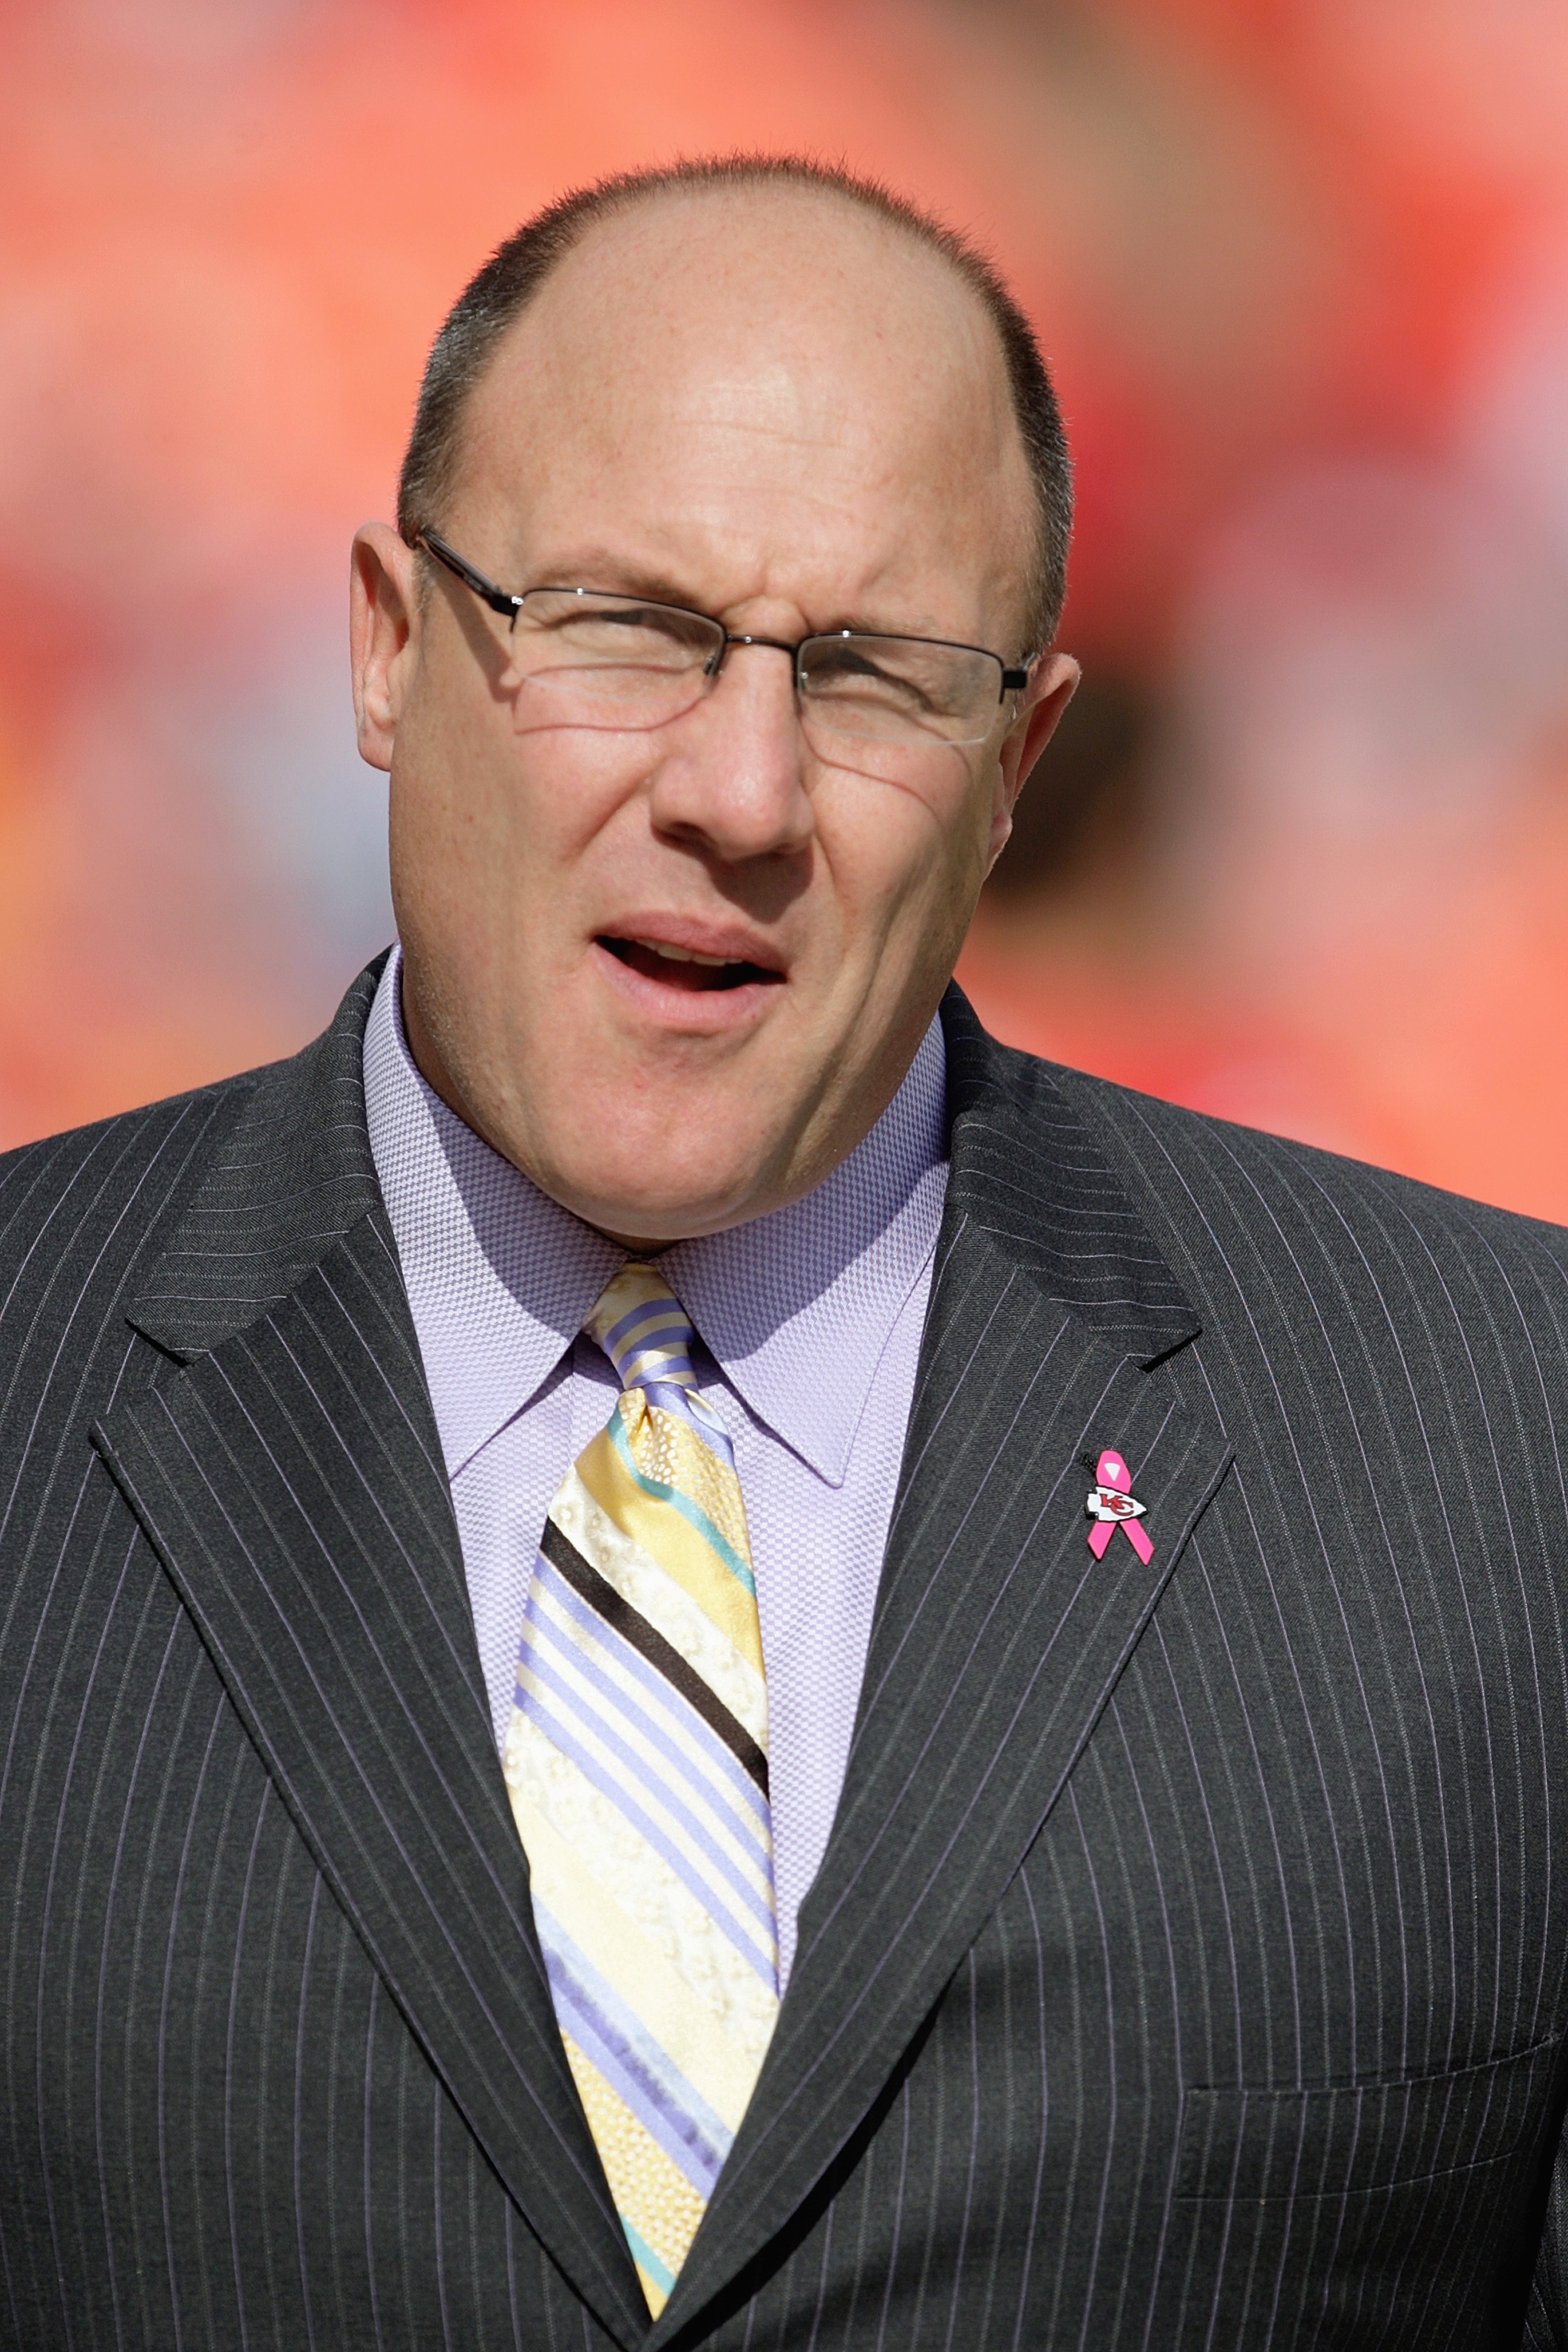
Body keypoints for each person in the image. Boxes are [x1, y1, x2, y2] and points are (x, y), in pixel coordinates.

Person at [1, 154, 1566, 2352]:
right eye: (629, 630)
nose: (740, 791)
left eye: (870, 676)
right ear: (383, 646)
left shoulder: (1496, 1458)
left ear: (1017, 760)